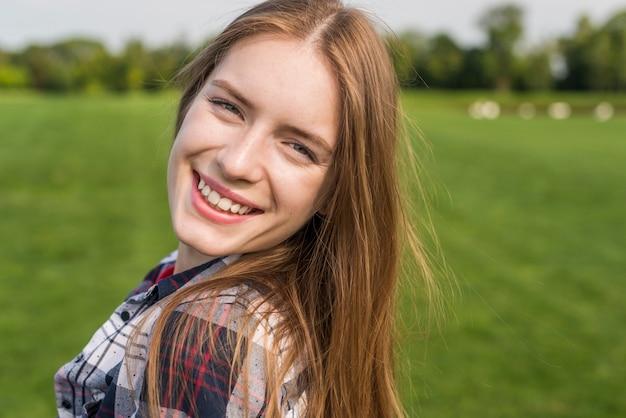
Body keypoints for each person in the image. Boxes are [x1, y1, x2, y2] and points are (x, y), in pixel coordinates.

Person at [55, 0, 438, 416]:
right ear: (191, 97)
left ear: (336, 190)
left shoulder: (203, 343)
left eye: (298, 147)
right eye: (229, 107)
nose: (236, 162)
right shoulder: (288, 302)